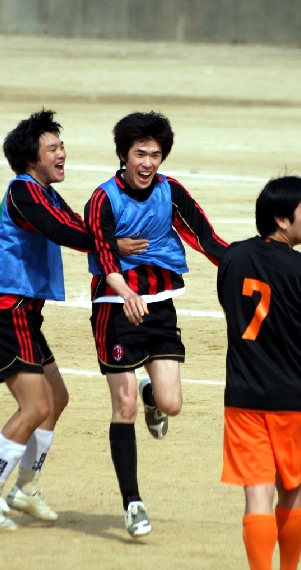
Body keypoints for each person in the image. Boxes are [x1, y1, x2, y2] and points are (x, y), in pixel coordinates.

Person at [0, 110, 147, 529]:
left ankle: (25, 489)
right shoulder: (23, 192)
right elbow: (60, 231)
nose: (62, 153)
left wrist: (108, 239)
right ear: (32, 158)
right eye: (52, 148)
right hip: (4, 311)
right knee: (35, 406)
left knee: (56, 399)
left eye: (61, 146)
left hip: (25, 314)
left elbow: (76, 225)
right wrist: (111, 244)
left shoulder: (44, 192)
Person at [85, 111, 228, 538]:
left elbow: (205, 238)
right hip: (115, 305)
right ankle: (132, 503)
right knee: (124, 406)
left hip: (160, 304)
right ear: (123, 155)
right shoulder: (103, 198)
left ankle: (152, 394)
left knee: (172, 404)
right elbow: (102, 254)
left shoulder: (171, 191)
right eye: (140, 154)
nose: (147, 163)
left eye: (155, 154)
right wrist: (124, 291)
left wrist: (252, 263)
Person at [216, 176, 301, 570]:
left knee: (256, 496)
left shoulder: (233, 257)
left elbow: (228, 302)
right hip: (293, 401)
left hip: (243, 399)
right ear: (282, 219)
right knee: (291, 489)